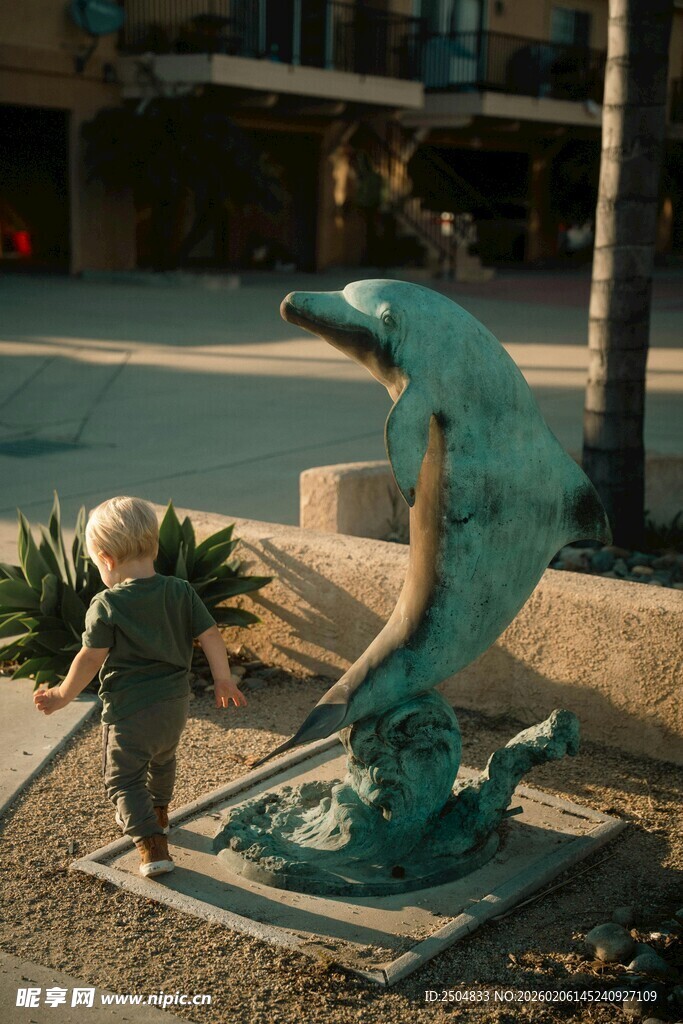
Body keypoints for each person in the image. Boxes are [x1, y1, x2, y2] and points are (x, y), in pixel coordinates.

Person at [33, 496, 247, 878]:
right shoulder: (180, 590)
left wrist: (62, 695)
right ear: (154, 545)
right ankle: (160, 813)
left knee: (124, 778)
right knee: (163, 758)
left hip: (130, 711)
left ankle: (151, 844)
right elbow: (210, 634)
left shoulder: (106, 605)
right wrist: (222, 678)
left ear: (107, 559)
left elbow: (90, 658)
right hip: (175, 706)